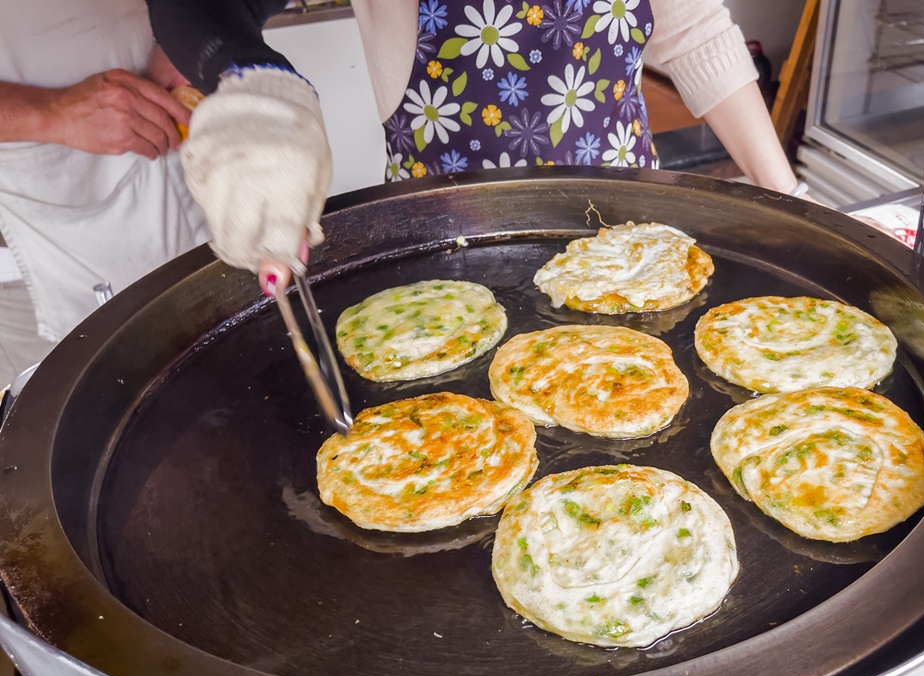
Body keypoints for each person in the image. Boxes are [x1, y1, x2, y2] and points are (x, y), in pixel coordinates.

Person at [148, 0, 805, 292]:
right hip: (452, 268)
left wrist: (792, 207)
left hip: (631, 258)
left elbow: (693, 34)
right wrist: (255, 81)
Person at [0, 0, 210, 387]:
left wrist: (191, 37)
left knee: (215, 374)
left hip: (175, 170)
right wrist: (52, 111)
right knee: (83, 412)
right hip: (35, 229)